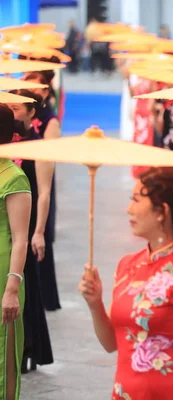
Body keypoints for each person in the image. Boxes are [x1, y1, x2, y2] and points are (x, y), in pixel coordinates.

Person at [79, 167, 173, 399]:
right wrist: (94, 304)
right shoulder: (127, 265)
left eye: (136, 200)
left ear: (162, 211)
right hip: (125, 391)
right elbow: (112, 343)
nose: (129, 209)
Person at [7, 91, 55, 373]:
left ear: (31, 114)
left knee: (29, 287)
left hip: (30, 218)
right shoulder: (6, 144)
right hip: (10, 221)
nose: (11, 113)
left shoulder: (38, 146)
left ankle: (29, 347)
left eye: (16, 108)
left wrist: (39, 231)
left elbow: (45, 192)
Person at [22, 72, 62, 312]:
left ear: (46, 92)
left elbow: (49, 156)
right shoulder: (14, 129)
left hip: (40, 179)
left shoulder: (50, 121)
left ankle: (43, 296)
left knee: (38, 241)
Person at [0, 104, 32, 400]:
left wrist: (12, 288)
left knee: (3, 353)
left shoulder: (13, 176)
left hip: (2, 275)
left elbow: (21, 238)